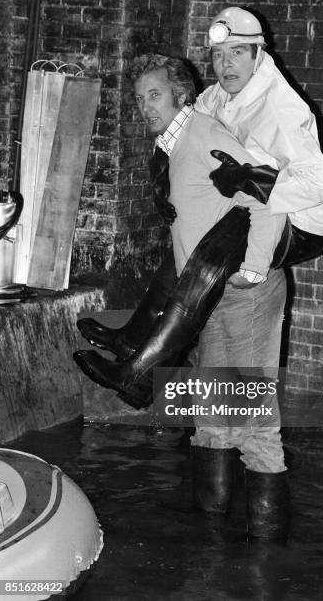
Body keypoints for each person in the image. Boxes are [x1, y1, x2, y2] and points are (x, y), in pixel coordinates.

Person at [74, 53, 290, 540]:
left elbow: (267, 196)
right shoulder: (175, 146)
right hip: (211, 293)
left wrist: (254, 270)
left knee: (254, 419)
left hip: (246, 293)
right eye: (138, 98)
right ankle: (211, 539)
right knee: (212, 414)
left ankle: (268, 554)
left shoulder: (205, 136)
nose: (144, 106)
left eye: (154, 95)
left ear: (180, 94)